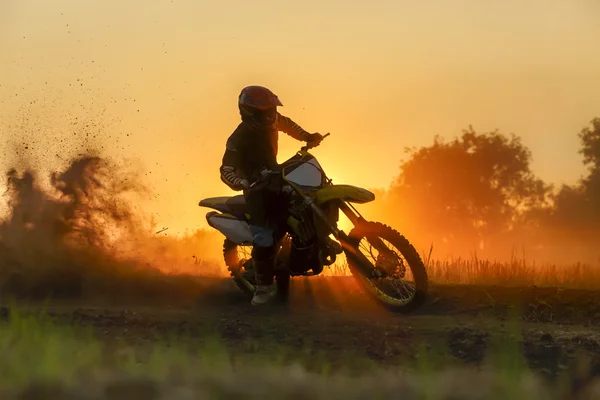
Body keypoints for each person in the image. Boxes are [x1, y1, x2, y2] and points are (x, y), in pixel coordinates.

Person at [219, 85, 324, 305]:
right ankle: (263, 288)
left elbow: (288, 125)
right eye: (263, 112)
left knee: (306, 200)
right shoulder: (237, 139)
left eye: (270, 110)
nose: (269, 116)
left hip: (276, 176)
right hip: (256, 188)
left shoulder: (274, 119)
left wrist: (308, 136)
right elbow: (226, 170)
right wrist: (242, 182)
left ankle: (309, 246)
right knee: (263, 236)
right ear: (248, 112)